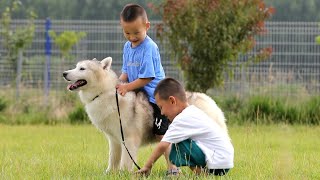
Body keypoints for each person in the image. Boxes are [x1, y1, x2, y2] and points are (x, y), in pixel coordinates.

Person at [116, 4, 178, 173]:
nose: (132, 37)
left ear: (147, 26)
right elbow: (126, 72)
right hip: (140, 95)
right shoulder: (127, 47)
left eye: (136, 32)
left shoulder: (149, 47)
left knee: (161, 134)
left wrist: (126, 87)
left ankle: (173, 167)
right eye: (127, 33)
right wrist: (117, 83)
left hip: (157, 97)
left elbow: (147, 77)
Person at [136, 78, 234, 176]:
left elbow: (163, 145)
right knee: (181, 141)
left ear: (172, 101)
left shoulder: (181, 120)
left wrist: (147, 167)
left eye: (161, 107)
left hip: (218, 163)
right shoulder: (193, 111)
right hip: (225, 161)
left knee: (178, 144)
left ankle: (202, 175)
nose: (162, 113)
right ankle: (203, 174)